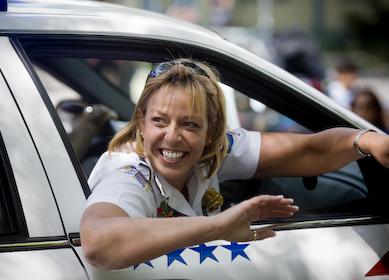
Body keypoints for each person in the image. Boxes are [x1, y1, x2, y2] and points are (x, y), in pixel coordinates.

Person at [80, 58, 389, 270]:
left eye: (189, 124)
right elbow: (97, 243)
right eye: (159, 121)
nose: (172, 137)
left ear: (211, 132)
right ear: (142, 123)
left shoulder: (213, 150)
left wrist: (369, 141)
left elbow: (308, 151)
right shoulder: (129, 175)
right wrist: (218, 226)